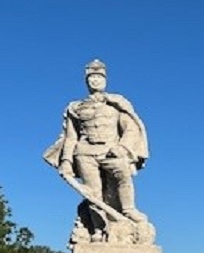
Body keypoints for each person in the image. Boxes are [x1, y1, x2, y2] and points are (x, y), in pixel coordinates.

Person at [43, 60, 149, 240]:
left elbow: (130, 127)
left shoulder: (117, 103)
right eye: (91, 77)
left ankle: (129, 209)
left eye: (99, 77)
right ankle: (98, 229)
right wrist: (67, 161)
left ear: (105, 80)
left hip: (111, 150)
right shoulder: (75, 107)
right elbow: (71, 137)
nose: (95, 81)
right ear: (86, 81)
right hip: (84, 153)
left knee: (123, 175)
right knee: (92, 192)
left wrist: (122, 147)